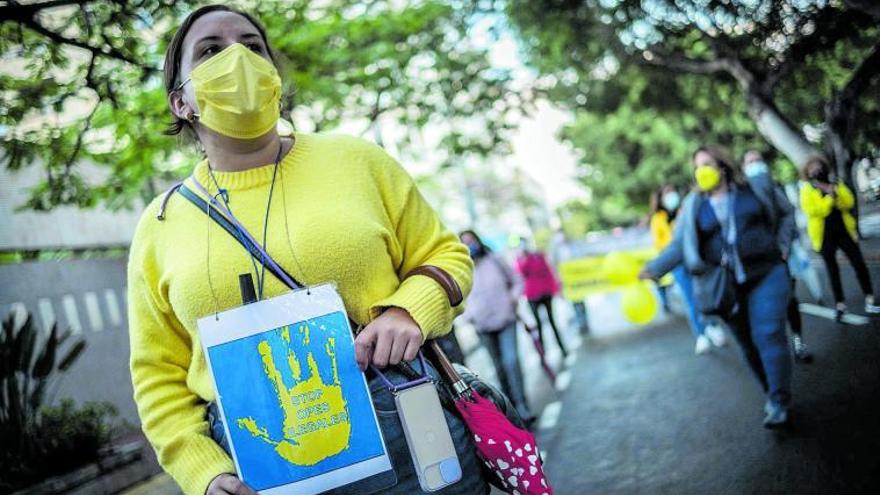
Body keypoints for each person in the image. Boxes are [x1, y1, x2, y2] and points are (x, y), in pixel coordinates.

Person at [128, 6, 488, 495]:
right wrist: (202, 471)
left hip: (406, 424)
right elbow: (157, 375)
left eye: (252, 47)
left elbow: (446, 255)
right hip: (261, 463)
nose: (237, 58)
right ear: (181, 103)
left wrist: (408, 311)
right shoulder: (160, 224)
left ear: (275, 76)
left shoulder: (356, 160)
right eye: (211, 50)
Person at [641, 147, 795, 429]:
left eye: (708, 164)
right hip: (723, 286)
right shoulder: (693, 205)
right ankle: (771, 395)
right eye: (697, 166)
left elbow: (786, 214)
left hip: (766, 272)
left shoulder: (755, 189)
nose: (703, 171)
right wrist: (655, 268)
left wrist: (783, 245)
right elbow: (679, 244)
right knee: (748, 344)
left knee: (768, 333)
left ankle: (779, 399)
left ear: (723, 166)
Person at [743, 150, 811, 362]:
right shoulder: (740, 192)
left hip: (778, 256)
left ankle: (798, 342)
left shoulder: (772, 186)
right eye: (750, 162)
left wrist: (783, 244)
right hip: (753, 262)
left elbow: (788, 213)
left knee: (789, 299)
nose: (755, 165)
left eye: (758, 160)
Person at [459, 230, 534, 422]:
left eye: (472, 241)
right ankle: (510, 409)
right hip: (482, 326)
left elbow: (517, 281)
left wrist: (513, 298)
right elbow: (458, 299)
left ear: (478, 241)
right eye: (464, 243)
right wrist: (469, 316)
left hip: (506, 320)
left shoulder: (495, 260)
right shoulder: (461, 269)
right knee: (499, 368)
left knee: (511, 363)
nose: (469, 245)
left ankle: (523, 406)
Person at [649, 185, 726, 355]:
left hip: (696, 259)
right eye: (666, 194)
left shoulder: (687, 208)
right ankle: (701, 334)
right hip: (678, 264)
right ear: (660, 199)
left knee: (706, 294)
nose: (671, 196)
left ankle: (713, 326)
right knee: (691, 300)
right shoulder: (658, 219)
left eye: (672, 192)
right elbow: (660, 244)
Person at [800, 155, 879, 320]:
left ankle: (870, 298)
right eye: (813, 169)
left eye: (819, 167)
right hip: (824, 236)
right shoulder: (807, 190)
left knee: (858, 263)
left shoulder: (836, 183)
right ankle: (840, 304)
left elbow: (849, 202)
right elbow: (815, 211)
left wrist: (836, 194)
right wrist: (829, 198)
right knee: (832, 270)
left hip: (844, 231)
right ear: (808, 172)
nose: (817, 171)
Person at [515, 239, 569, 358]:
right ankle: (543, 354)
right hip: (532, 296)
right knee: (538, 325)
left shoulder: (539, 256)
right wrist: (526, 257)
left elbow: (548, 272)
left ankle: (562, 348)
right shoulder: (520, 259)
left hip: (545, 293)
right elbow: (522, 273)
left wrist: (555, 289)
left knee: (552, 322)